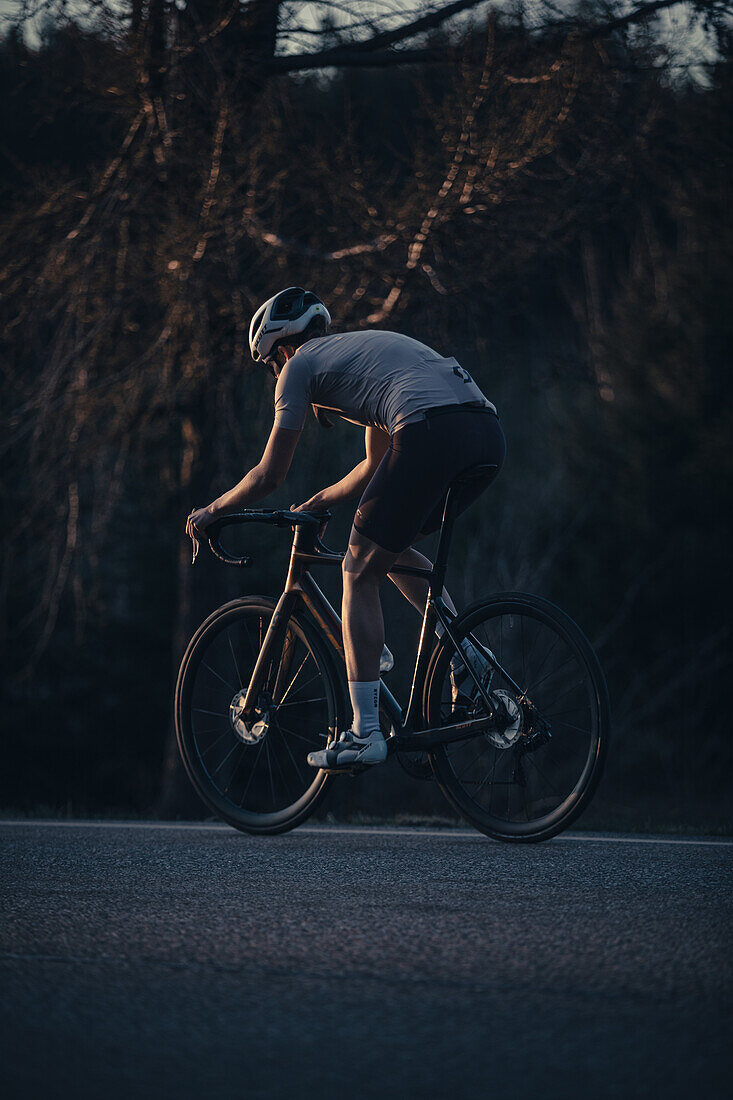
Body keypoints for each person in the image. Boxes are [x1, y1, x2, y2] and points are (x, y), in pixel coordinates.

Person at [186, 287, 506, 771]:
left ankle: (364, 733)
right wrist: (323, 498)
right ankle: (468, 657)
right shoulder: (363, 354)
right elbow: (376, 462)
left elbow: (270, 474)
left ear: (283, 347)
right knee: (389, 552)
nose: (275, 375)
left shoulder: (298, 367)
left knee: (356, 570)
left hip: (429, 431)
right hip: (484, 432)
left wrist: (212, 510)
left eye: (270, 364)